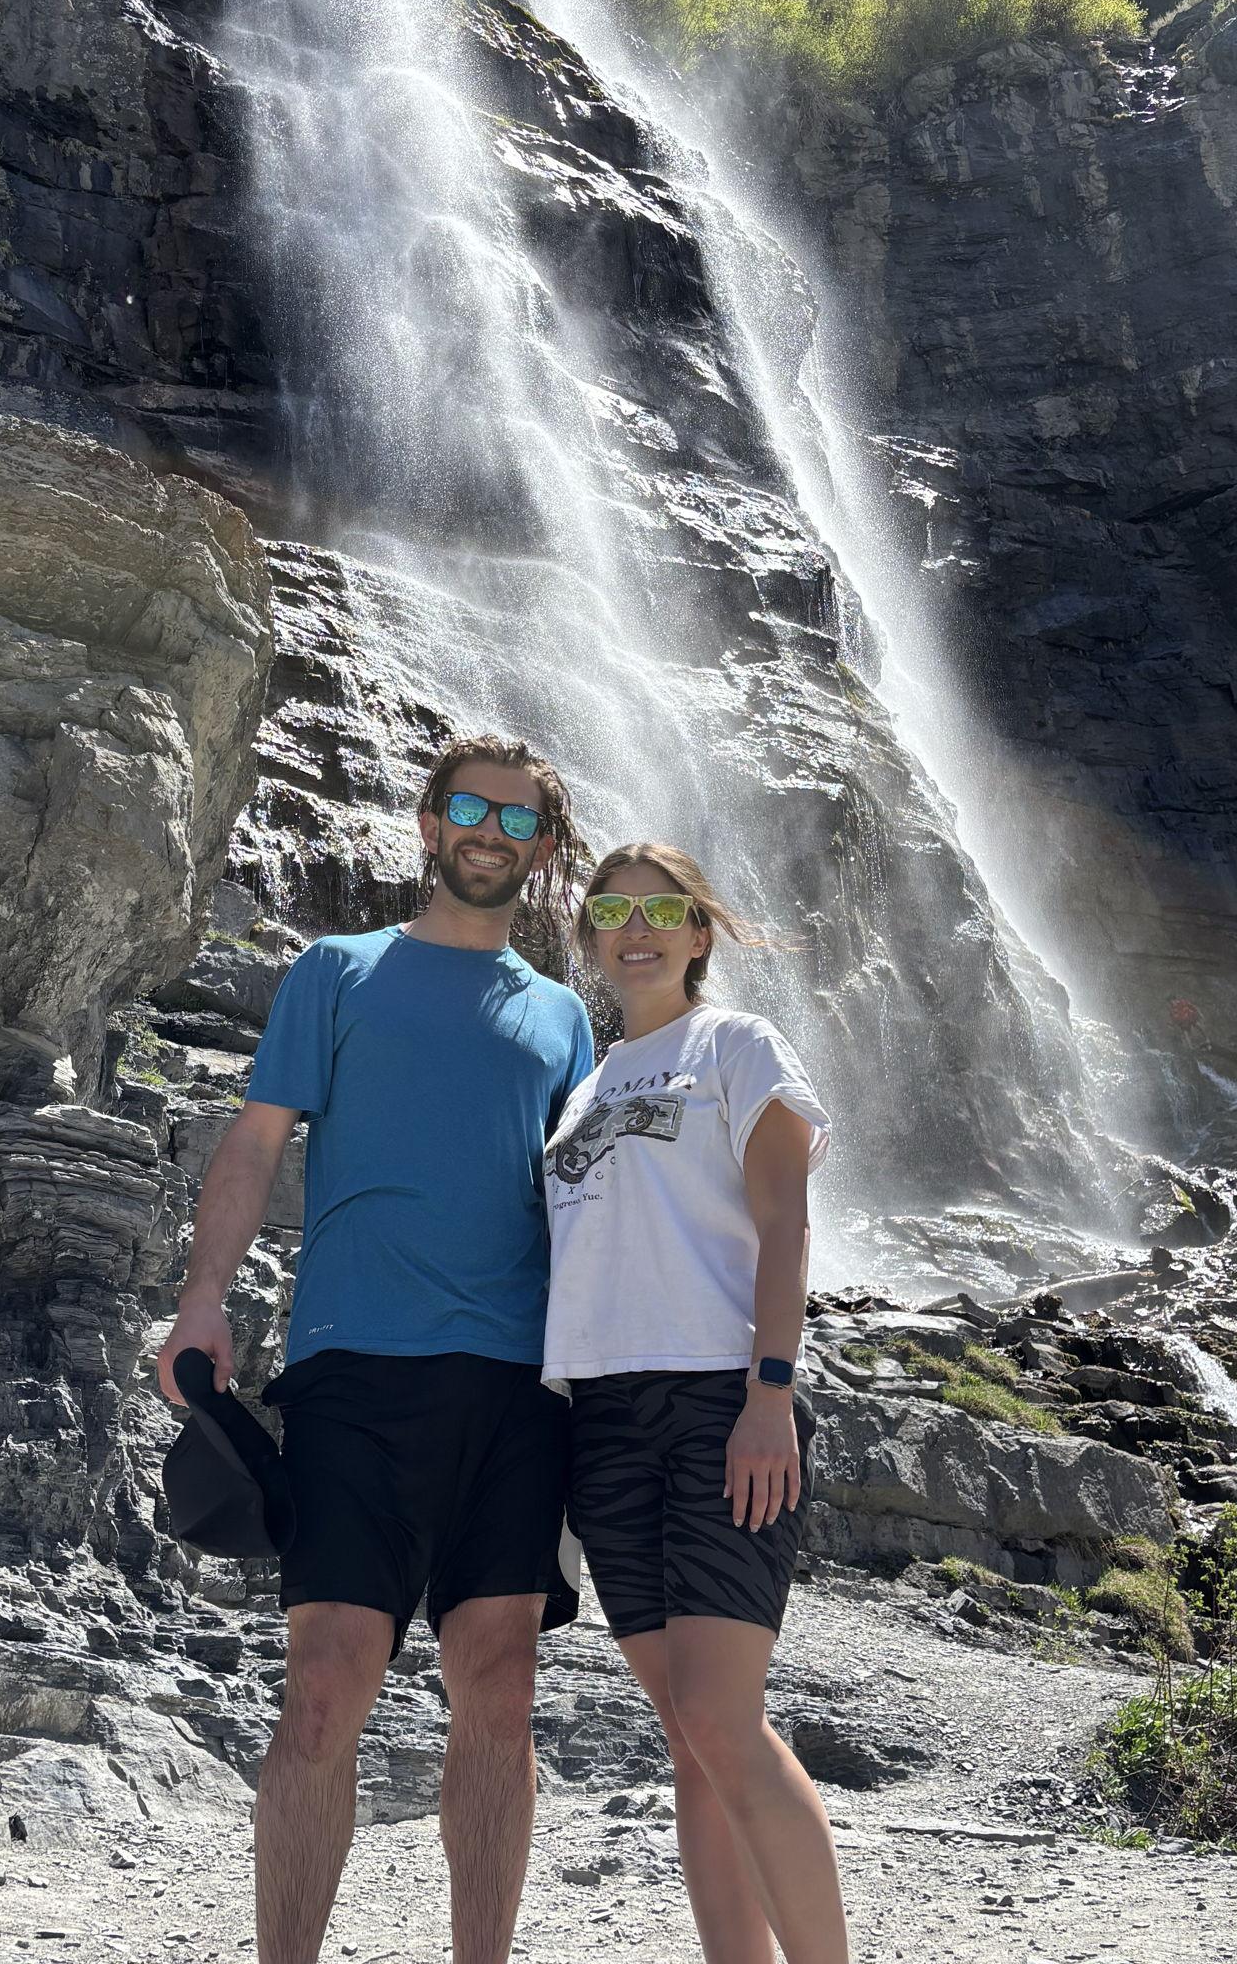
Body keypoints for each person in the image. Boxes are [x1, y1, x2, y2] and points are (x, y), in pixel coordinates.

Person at [155, 735, 595, 1964]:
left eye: (515, 818)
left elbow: (593, 1208)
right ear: (424, 820)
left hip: (517, 1384)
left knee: (499, 1689)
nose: (488, 830)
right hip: (353, 1367)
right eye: (468, 806)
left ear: (543, 849)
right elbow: (250, 1147)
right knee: (321, 1689)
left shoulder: (564, 1018)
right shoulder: (335, 971)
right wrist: (203, 1298)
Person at [543, 842, 849, 1964]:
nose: (635, 926)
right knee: (688, 1736)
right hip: (601, 1415)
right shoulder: (578, 1088)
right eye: (611, 907)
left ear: (698, 930)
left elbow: (784, 1221)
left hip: (723, 1397)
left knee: (723, 1718)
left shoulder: (735, 1042)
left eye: (659, 908)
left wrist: (770, 1392)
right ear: (588, 931)